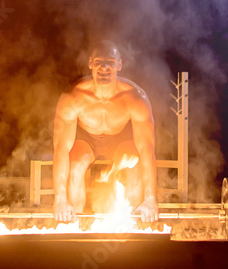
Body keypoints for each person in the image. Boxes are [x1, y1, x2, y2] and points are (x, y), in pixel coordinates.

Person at [53, 40, 159, 223]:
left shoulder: (135, 97)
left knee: (133, 164)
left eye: (110, 62)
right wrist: (59, 198)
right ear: (90, 64)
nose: (104, 67)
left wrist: (151, 198)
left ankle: (132, 225)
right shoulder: (73, 96)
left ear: (119, 65)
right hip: (87, 140)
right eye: (99, 62)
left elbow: (146, 149)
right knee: (76, 164)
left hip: (120, 140)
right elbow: (61, 148)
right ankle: (71, 223)